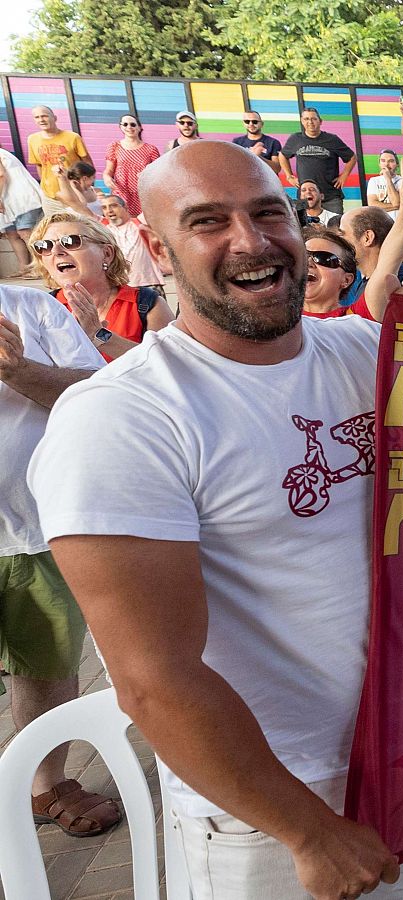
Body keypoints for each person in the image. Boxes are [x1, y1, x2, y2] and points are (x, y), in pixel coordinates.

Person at [30, 140, 403, 899]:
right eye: (208, 222)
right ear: (156, 249)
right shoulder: (124, 419)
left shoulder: (369, 353)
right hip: (273, 814)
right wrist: (307, 831)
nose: (251, 241)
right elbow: (154, 679)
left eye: (267, 212)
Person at [1, 281, 122, 839]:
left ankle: (44, 783)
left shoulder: (30, 308)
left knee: (46, 664)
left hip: (29, 528)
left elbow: (92, 393)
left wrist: (18, 370)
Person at [31, 211, 173, 360]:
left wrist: (99, 335)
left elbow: (169, 364)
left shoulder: (146, 303)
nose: (56, 251)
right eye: (45, 246)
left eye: (70, 242)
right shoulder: (41, 308)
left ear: (107, 253)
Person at [278, 108, 357, 214]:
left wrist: (344, 175)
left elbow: (352, 157)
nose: (310, 122)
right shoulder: (295, 139)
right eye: (306, 119)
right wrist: (289, 176)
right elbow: (282, 155)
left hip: (330, 196)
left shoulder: (332, 139)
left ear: (320, 121)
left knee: (334, 228)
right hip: (305, 198)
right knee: (306, 228)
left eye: (314, 119)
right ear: (302, 121)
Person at [27, 106, 90, 213]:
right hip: (50, 197)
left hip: (74, 193)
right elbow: (39, 165)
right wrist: (45, 186)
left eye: (44, 116)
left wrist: (85, 186)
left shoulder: (73, 137)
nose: (41, 120)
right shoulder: (32, 139)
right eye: (37, 117)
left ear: (54, 118)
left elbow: (87, 163)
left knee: (79, 226)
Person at [100, 194, 165, 292]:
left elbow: (156, 202)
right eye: (104, 208)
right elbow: (76, 204)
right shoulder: (103, 229)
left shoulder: (140, 223)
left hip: (149, 285)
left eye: (113, 205)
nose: (109, 210)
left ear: (125, 207)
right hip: (122, 288)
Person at [339, 205, 401, 305]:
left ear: (367, 238)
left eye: (342, 234)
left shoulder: (394, 284)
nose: (338, 242)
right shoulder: (365, 279)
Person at [0, 147, 46, 276]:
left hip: (21, 198)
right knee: (12, 234)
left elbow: (1, 175)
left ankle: (39, 268)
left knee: (25, 232)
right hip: (9, 201)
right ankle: (24, 268)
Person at [103, 114, 160, 218]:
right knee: (124, 221)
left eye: (132, 124)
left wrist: (147, 174)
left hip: (143, 192)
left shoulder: (151, 149)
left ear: (139, 127)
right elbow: (109, 170)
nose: (129, 127)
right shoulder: (114, 146)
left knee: (144, 222)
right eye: (125, 124)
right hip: (122, 191)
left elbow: (158, 173)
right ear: (120, 127)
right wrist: (106, 178)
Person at [299, 225, 361, 318]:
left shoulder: (359, 323)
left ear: (346, 280)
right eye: (303, 256)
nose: (309, 262)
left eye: (323, 258)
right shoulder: (276, 321)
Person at [232, 110, 282, 174]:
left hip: (267, 182)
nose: (251, 124)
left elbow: (277, 169)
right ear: (244, 124)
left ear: (262, 124)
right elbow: (234, 166)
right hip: (245, 181)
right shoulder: (237, 142)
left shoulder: (273, 142)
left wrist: (258, 157)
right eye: (247, 121)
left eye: (254, 122)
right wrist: (252, 156)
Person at [366, 150, 402, 214]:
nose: (386, 164)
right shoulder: (374, 181)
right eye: (383, 161)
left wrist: (388, 179)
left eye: (391, 161)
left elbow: (396, 202)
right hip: (381, 221)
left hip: (398, 221)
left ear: (397, 164)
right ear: (379, 164)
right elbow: (372, 205)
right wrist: (397, 206)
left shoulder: (402, 180)